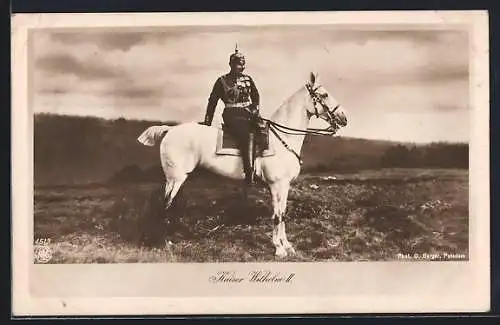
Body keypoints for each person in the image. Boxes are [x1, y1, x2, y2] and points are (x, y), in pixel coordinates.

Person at [202, 45, 261, 186]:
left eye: (243, 64)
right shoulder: (221, 81)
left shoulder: (248, 79)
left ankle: (263, 169)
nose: (242, 67)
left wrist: (255, 109)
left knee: (264, 131)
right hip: (232, 115)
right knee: (246, 134)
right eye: (238, 64)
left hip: (249, 114)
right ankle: (249, 173)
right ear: (231, 64)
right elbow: (212, 101)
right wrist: (207, 121)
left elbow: (255, 96)